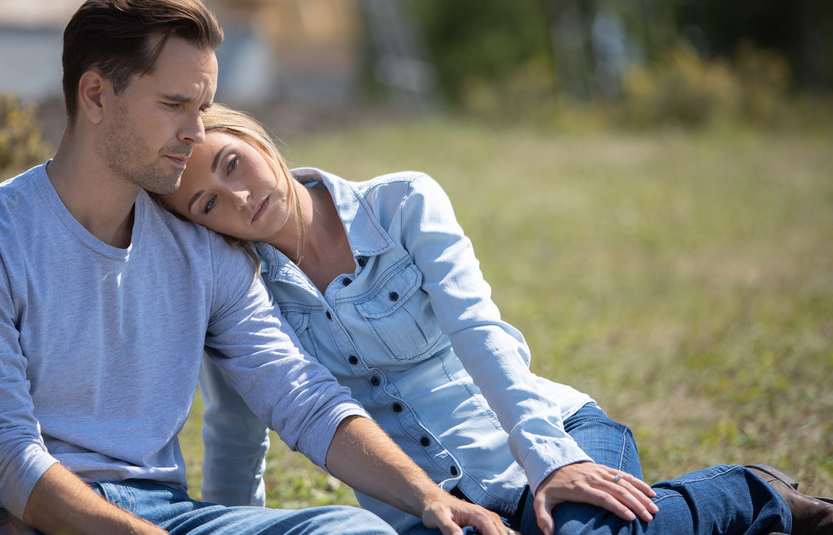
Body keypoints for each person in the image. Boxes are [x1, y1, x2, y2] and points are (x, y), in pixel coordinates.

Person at [0, 0, 514, 535]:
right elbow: (1, 456)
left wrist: (426, 496)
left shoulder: (203, 248)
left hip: (164, 512)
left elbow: (301, 395)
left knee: (354, 529)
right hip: (16, 517)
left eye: (203, 106)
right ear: (96, 94)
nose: (196, 131)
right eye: (175, 104)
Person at [155, 104, 833, 535]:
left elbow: (482, 334)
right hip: (425, 510)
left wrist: (549, 463)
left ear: (255, 137)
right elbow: (236, 438)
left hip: (542, 438)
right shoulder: (239, 300)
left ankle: (748, 493)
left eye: (233, 163)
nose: (241, 198)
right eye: (209, 204)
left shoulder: (400, 204)